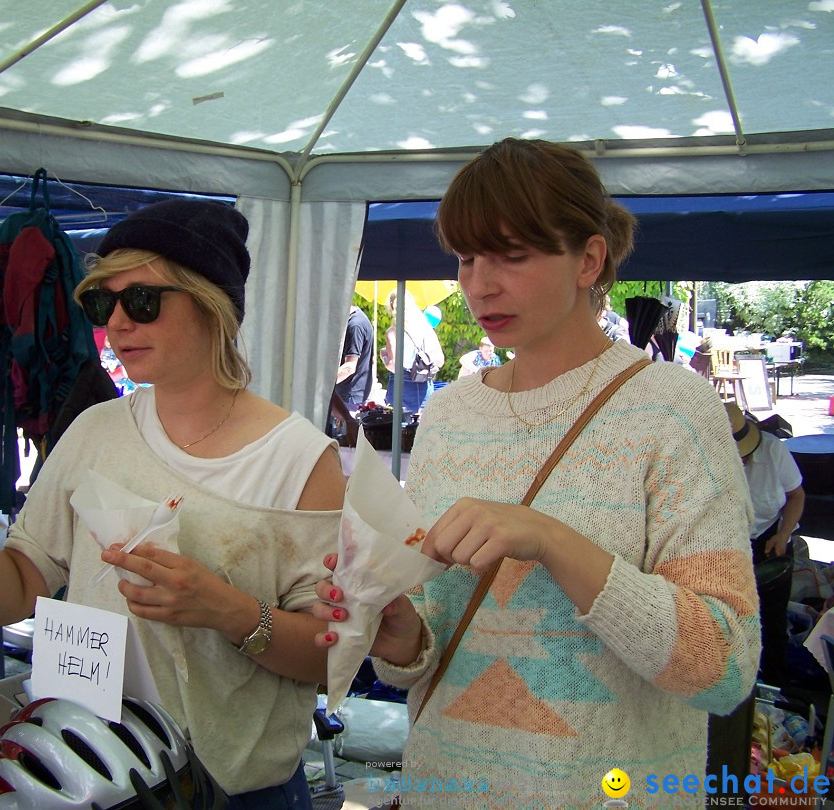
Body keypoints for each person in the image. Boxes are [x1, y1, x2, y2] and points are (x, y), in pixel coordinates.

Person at [315, 138, 759, 807]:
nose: (478, 283)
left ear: (589, 258)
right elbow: (430, 639)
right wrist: (398, 632)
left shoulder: (671, 408)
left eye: (511, 255)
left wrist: (552, 540)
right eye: (466, 258)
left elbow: (724, 668)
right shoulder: (450, 414)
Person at [0, 199, 345, 809]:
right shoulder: (94, 432)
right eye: (101, 303)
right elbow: (15, 594)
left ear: (214, 306)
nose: (118, 325)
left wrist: (228, 610)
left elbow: (332, 657)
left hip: (237, 788)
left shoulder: (301, 460)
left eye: (141, 300)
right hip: (92, 772)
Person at [727, 402, 805, 688]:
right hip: (731, 544)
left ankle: (775, 684)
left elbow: (797, 496)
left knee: (772, 621)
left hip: (771, 540)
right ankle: (737, 686)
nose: (742, 460)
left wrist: (783, 535)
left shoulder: (774, 451)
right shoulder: (708, 458)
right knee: (734, 620)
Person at [380, 291, 445, 414]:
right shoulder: (426, 328)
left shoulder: (393, 332)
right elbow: (440, 360)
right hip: (425, 385)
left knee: (397, 429)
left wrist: (383, 355)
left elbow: (394, 367)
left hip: (401, 386)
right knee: (423, 428)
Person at [334, 305, 374, 410]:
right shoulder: (357, 320)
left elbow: (350, 367)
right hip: (350, 395)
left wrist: (325, 385)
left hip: (349, 397)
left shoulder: (355, 326)